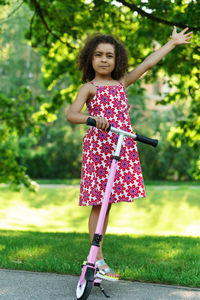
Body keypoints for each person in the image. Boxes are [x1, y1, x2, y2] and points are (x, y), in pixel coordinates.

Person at [66, 26, 193, 281]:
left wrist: (172, 43)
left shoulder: (121, 82)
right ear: (90, 58)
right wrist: (93, 119)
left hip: (120, 147)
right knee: (97, 204)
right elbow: (72, 114)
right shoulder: (88, 87)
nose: (104, 59)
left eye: (109, 55)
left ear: (117, 60)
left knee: (107, 205)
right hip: (99, 149)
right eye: (99, 54)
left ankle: (97, 258)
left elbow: (147, 64)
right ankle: (96, 258)